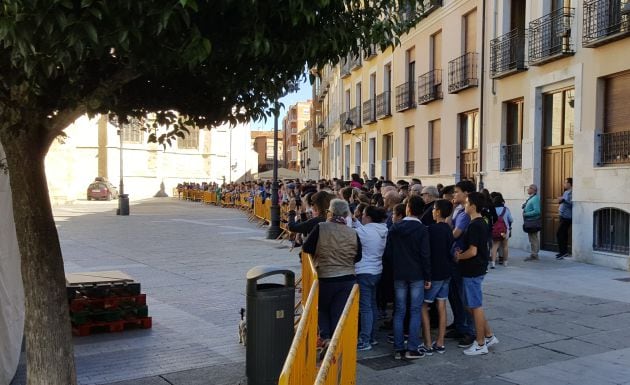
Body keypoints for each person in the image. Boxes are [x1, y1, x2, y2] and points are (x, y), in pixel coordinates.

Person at [302, 199, 362, 341]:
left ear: (330, 212)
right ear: (346, 213)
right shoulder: (352, 232)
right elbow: (358, 256)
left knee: (322, 309)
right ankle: (335, 344)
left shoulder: (321, 227)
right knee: (338, 312)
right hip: (348, 277)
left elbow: (306, 247)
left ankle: (326, 338)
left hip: (326, 275)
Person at [383, 195, 431, 360]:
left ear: (408, 209)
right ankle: (412, 347)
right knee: (415, 310)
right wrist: (428, 276)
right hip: (417, 274)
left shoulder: (395, 228)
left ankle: (398, 348)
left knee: (399, 310)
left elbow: (387, 253)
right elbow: (425, 254)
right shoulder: (423, 230)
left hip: (399, 273)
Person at [454, 192, 499, 356]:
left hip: (473, 269)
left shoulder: (475, 224)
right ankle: (489, 335)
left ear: (473, 205)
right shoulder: (480, 222)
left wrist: (459, 256)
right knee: (471, 305)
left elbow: (472, 251)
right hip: (475, 269)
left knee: (475, 306)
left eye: (466, 203)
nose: (465, 206)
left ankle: (480, 344)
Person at [420, 199, 454, 355]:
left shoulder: (430, 230)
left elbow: (427, 254)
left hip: (435, 274)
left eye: (433, 209)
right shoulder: (448, 229)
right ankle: (440, 342)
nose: (432, 211)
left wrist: (427, 276)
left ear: (438, 212)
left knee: (423, 307)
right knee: (441, 306)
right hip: (446, 272)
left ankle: (427, 343)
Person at [352, 206, 389, 351]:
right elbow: (366, 231)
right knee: (373, 305)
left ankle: (365, 340)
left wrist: (351, 221)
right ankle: (372, 337)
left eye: (363, 215)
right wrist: (356, 221)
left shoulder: (363, 232)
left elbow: (353, 232)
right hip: (377, 271)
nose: (361, 217)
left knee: (365, 308)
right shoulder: (382, 229)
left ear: (368, 217)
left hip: (363, 271)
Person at [446, 180, 476, 348]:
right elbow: (450, 225)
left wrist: (444, 238)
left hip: (461, 259)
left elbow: (455, 233)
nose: (454, 195)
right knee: (454, 295)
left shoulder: (466, 213)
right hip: (454, 259)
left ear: (466, 194)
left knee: (465, 297)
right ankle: (459, 324)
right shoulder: (458, 209)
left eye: (457, 192)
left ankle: (470, 331)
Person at [490, 195, 513, 268]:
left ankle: (493, 263)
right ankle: (505, 262)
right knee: (505, 246)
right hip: (504, 230)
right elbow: (511, 219)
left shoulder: (492, 209)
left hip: (495, 230)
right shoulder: (506, 209)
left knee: (495, 246)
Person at [523, 184, 542, 261]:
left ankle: (535, 255)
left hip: (532, 222)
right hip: (529, 222)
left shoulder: (535, 199)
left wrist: (526, 214)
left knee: (534, 238)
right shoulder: (532, 198)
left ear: (533, 190)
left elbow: (537, 211)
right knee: (532, 238)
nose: (528, 190)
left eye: (529, 188)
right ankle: (533, 254)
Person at [556, 178, 573, 260]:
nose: (564, 184)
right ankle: (563, 252)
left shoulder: (572, 192)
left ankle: (563, 252)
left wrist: (563, 200)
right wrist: (560, 200)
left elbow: (572, 204)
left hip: (567, 216)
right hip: (562, 215)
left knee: (559, 234)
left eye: (565, 183)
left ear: (570, 184)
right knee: (563, 234)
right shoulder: (566, 192)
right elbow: (564, 201)